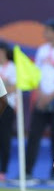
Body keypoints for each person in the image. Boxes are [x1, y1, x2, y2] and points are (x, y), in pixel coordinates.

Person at [26, 19, 54, 185]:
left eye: (48, 30)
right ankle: (27, 172)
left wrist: (50, 96)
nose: (44, 33)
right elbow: (36, 75)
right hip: (40, 100)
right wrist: (39, 95)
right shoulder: (42, 50)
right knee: (33, 136)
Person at [0, 42, 16, 183]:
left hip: (7, 106)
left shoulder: (12, 68)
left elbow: (14, 87)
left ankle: (3, 171)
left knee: (4, 139)